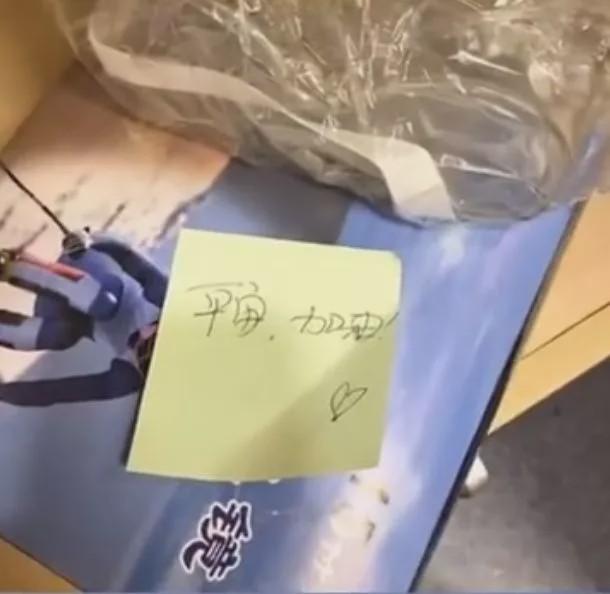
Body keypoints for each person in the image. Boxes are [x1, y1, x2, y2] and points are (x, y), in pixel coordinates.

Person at [0, 234, 167, 406]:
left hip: (65, 304)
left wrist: (4, 393)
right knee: (104, 305)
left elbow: (57, 391)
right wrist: (89, 240)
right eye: (151, 343)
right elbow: (126, 255)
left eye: (143, 358)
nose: (140, 343)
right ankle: (12, 266)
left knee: (60, 336)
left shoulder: (128, 378)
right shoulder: (164, 300)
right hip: (86, 262)